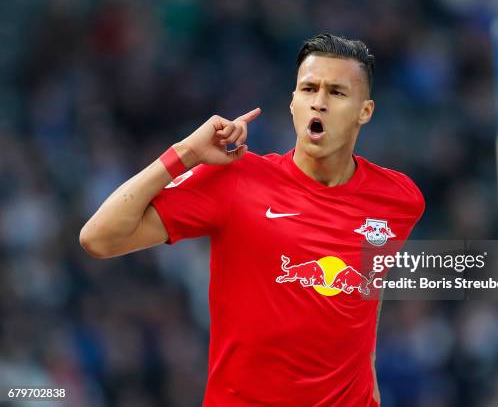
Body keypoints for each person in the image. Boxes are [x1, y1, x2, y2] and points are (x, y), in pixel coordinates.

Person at [80, 33, 425, 407]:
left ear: (365, 111)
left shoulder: (399, 199)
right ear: (292, 103)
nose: (319, 103)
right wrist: (185, 153)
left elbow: (367, 287)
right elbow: (98, 239)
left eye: (337, 93)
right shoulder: (234, 179)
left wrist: (368, 374)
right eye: (309, 89)